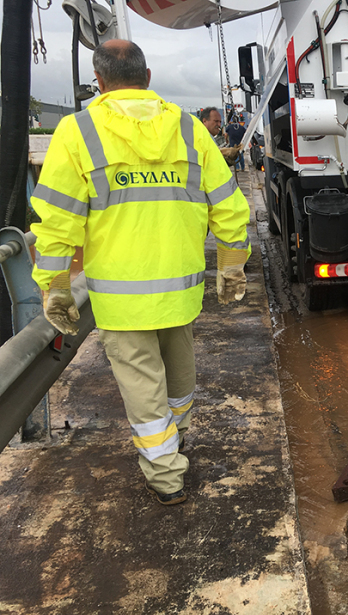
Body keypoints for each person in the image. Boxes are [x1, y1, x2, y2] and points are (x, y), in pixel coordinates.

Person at [29, 40, 251, 506]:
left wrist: (55, 286)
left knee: (143, 389)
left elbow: (57, 221)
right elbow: (228, 205)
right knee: (179, 376)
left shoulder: (77, 131)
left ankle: (167, 478)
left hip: (120, 299)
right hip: (181, 290)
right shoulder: (189, 128)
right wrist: (232, 264)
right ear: (147, 77)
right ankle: (177, 437)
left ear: (99, 81)